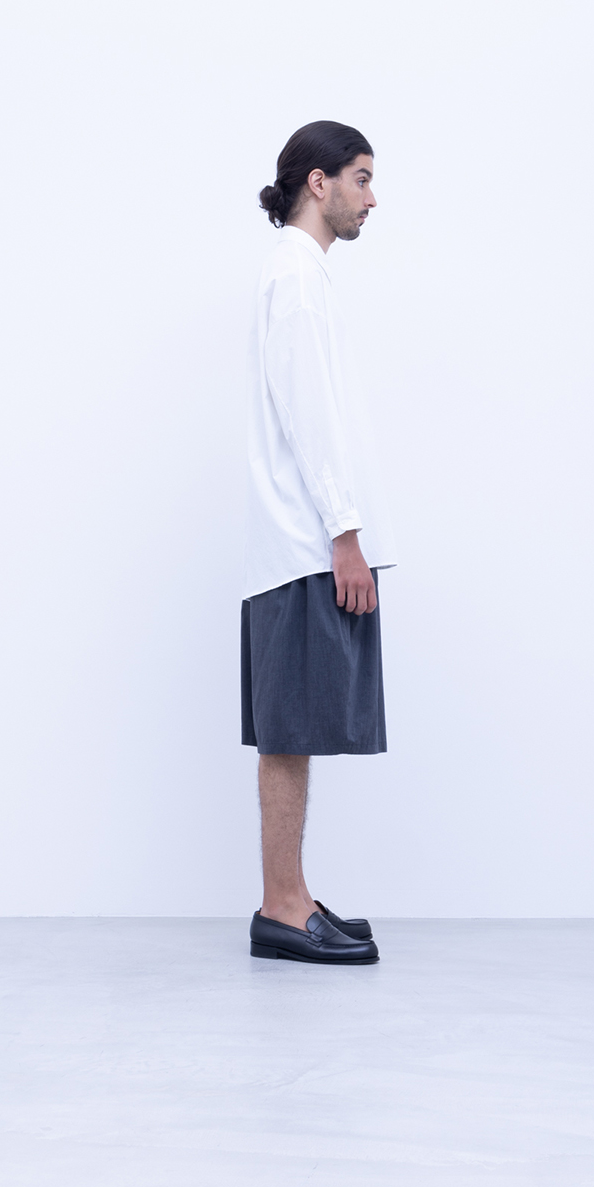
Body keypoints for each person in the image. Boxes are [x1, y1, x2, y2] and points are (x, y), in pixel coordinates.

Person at [242, 121, 397, 965]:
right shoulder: (297, 277)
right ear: (318, 182)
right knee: (288, 728)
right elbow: (310, 415)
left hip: (301, 541)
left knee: (293, 725)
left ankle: (291, 896)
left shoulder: (300, 274)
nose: (371, 198)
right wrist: (345, 533)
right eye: (361, 178)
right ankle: (282, 906)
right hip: (304, 542)